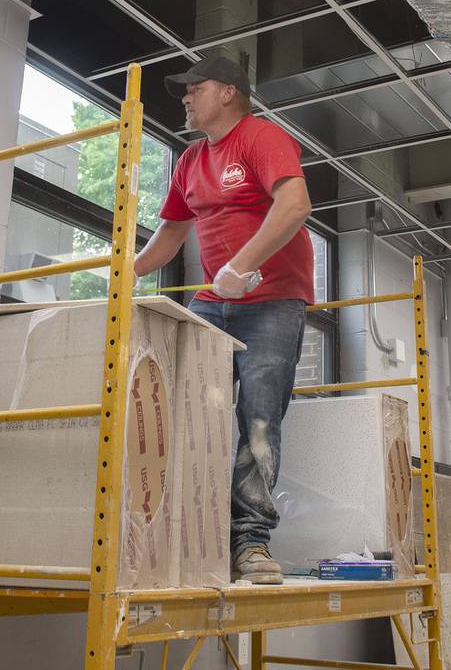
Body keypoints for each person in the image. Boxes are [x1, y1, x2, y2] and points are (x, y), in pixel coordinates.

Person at [132, 53, 314, 585]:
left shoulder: (262, 138)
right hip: (215, 302)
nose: (185, 98)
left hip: (273, 303)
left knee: (258, 420)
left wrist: (240, 265)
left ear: (228, 92)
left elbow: (296, 204)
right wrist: (127, 273)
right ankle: (190, 527)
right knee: (185, 408)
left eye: (194, 88)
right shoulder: (190, 161)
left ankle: (251, 543)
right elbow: (168, 235)